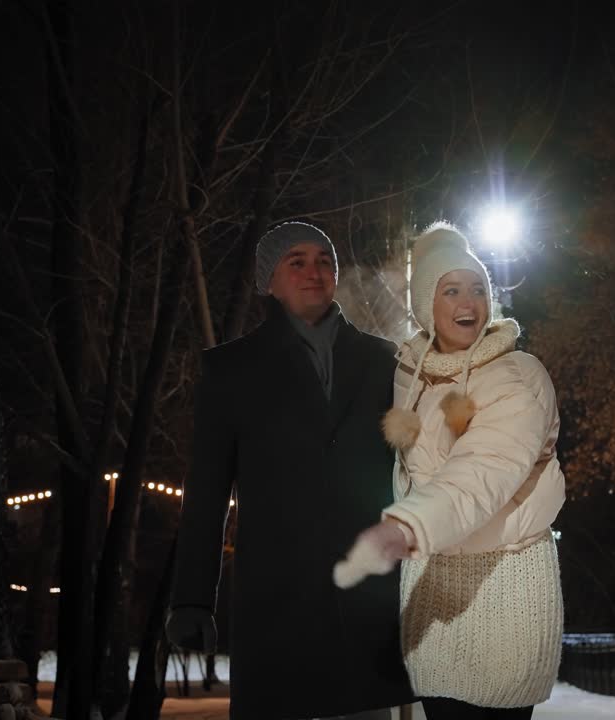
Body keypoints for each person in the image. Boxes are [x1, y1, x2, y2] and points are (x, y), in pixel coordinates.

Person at [166, 221, 413, 720]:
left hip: (367, 605)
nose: (314, 271)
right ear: (267, 281)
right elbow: (208, 493)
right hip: (276, 606)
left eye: (324, 260)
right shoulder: (230, 370)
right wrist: (192, 600)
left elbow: (418, 471)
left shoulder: (387, 361)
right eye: (295, 261)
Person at [333, 222, 566, 720]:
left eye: (478, 288)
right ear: (425, 305)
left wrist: (406, 526)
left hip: (505, 590)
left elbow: (485, 468)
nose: (468, 302)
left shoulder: (517, 374)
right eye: (451, 289)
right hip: (433, 595)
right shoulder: (408, 376)